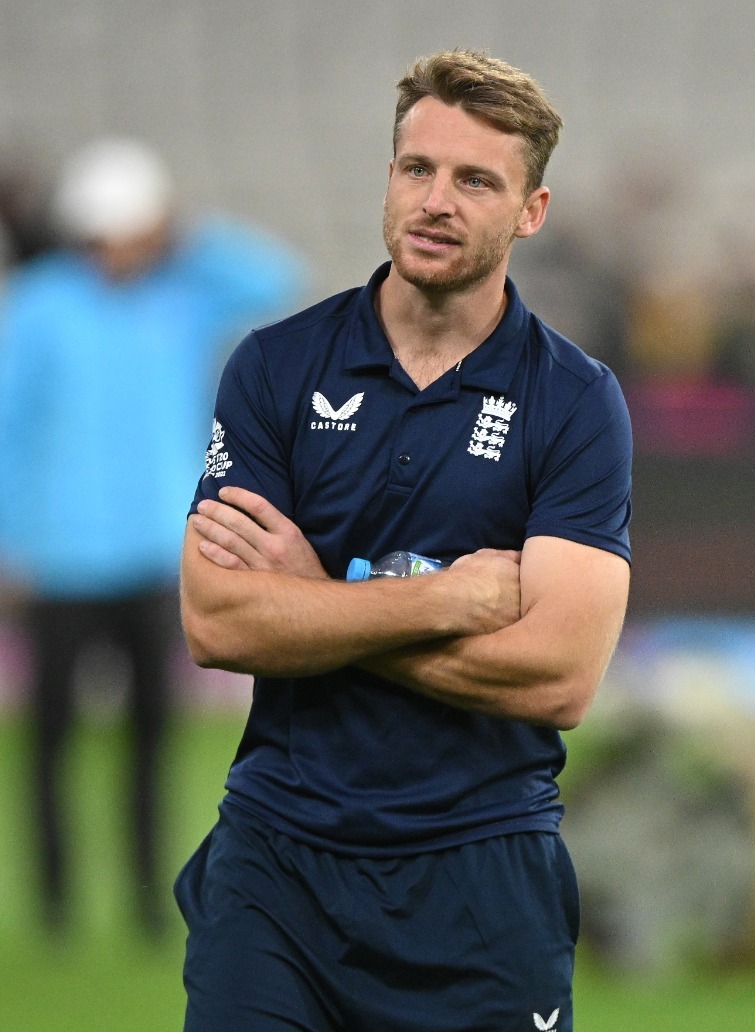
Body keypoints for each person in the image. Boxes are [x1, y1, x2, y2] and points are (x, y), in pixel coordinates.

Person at [175, 50, 632, 1032]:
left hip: (483, 875)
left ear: (531, 211)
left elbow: (560, 677)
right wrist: (442, 600)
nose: (436, 201)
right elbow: (218, 622)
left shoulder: (576, 401)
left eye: (476, 181)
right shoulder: (275, 366)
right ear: (388, 177)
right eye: (417, 169)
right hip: (277, 867)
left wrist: (317, 601)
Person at [0, 138, 302, 938]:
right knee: (51, 742)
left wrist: (188, 235)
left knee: (151, 741)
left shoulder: (183, 296)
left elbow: (274, 279)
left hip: (155, 555)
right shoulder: (40, 305)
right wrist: (8, 545)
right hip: (60, 560)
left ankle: (144, 901)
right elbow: (6, 430)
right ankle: (55, 905)